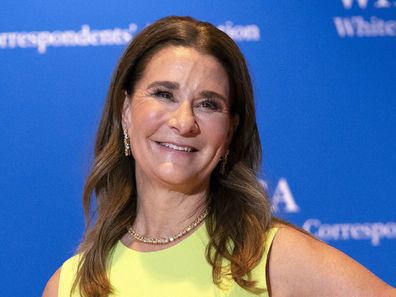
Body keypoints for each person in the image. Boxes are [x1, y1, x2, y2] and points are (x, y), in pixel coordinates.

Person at [43, 16, 396, 297]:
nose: (183, 122)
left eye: (208, 104)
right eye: (164, 94)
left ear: (229, 132)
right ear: (125, 111)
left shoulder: (270, 257)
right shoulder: (69, 285)